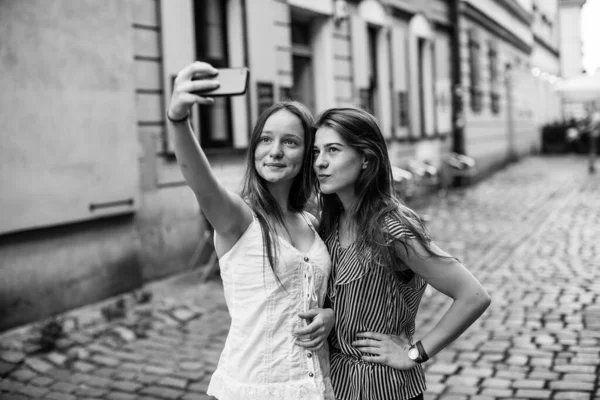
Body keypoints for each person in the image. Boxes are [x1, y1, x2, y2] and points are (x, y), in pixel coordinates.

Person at [167, 61, 335, 400]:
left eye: (290, 142)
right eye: (265, 140)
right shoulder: (238, 218)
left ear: (307, 154)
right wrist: (178, 120)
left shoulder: (310, 221)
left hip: (314, 386)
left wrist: (329, 315)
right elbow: (201, 182)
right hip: (254, 388)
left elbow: (317, 296)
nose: (274, 151)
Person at [312, 108, 492, 400]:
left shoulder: (391, 227)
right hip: (338, 385)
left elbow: (473, 296)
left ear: (366, 159)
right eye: (316, 151)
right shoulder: (331, 223)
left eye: (333, 150)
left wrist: (414, 352)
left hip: (386, 389)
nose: (320, 162)